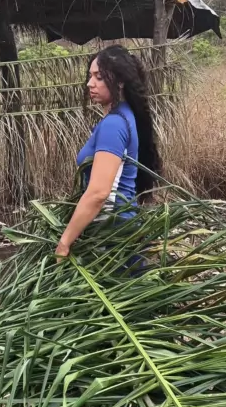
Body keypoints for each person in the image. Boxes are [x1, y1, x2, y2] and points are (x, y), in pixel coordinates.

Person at [55, 45, 161, 264]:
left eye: (99, 77)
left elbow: (98, 193)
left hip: (112, 235)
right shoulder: (124, 116)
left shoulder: (113, 125)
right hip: (118, 230)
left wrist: (65, 242)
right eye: (90, 76)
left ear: (120, 81)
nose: (90, 83)